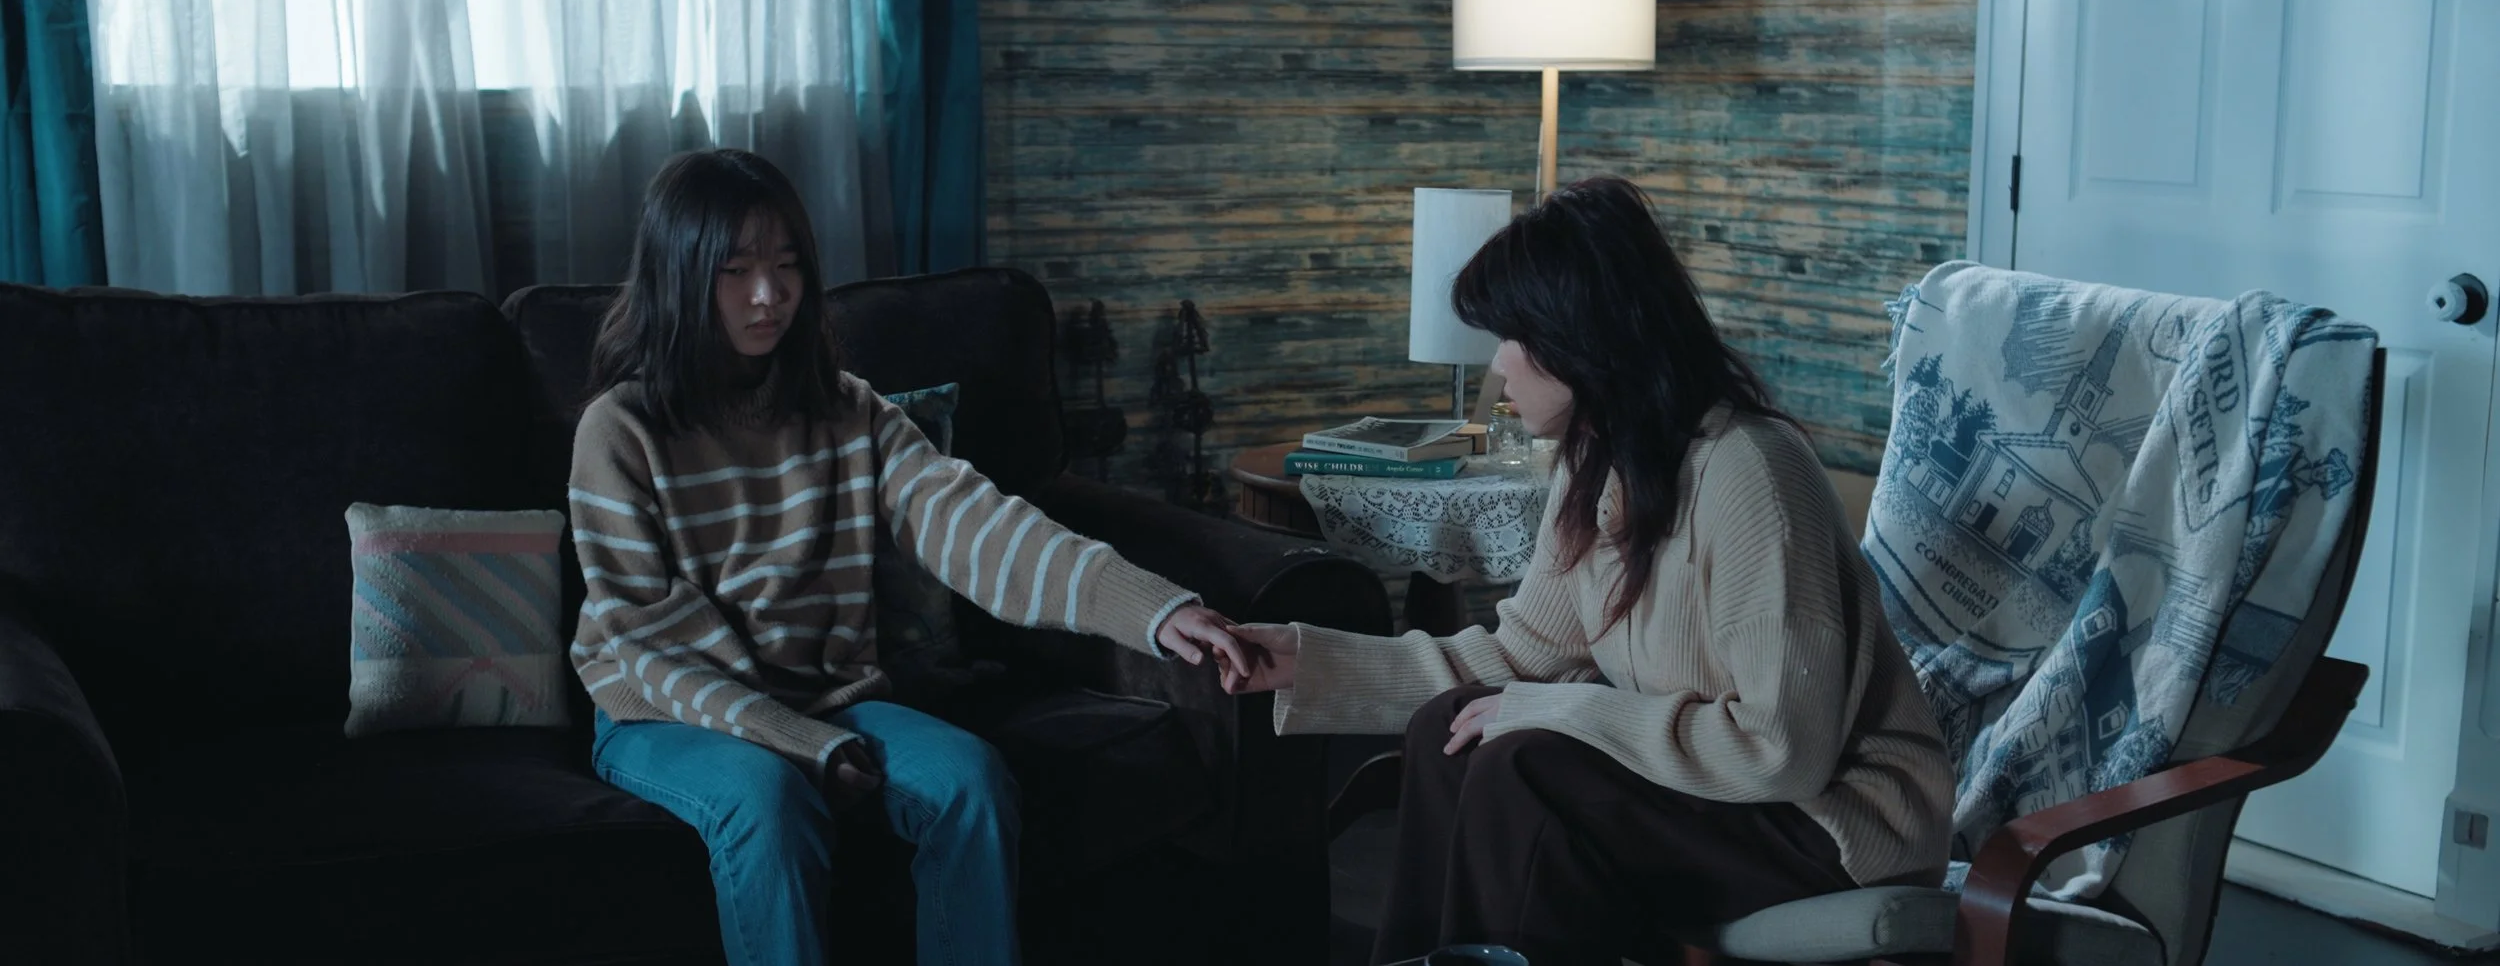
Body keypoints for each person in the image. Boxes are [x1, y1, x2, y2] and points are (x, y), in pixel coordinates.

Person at [1222, 177, 1954, 966]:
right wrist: (1306, 660)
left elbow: (1783, 749)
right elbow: (1515, 660)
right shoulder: (1596, 465)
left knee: (1522, 767)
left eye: (1512, 335)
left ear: (1579, 337)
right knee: (1449, 732)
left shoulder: (1751, 472)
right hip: (1716, 799)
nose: (1498, 364)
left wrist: (1560, 710)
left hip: (1829, 825)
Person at [567, 148, 1249, 966]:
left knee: (971, 780)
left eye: (787, 266)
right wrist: (794, 740)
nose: (768, 295)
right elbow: (649, 644)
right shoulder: (621, 428)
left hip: (825, 694)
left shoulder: (846, 408)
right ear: (679, 274)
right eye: (736, 269)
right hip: (665, 708)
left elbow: (977, 523)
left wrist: (1154, 608)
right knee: (766, 796)